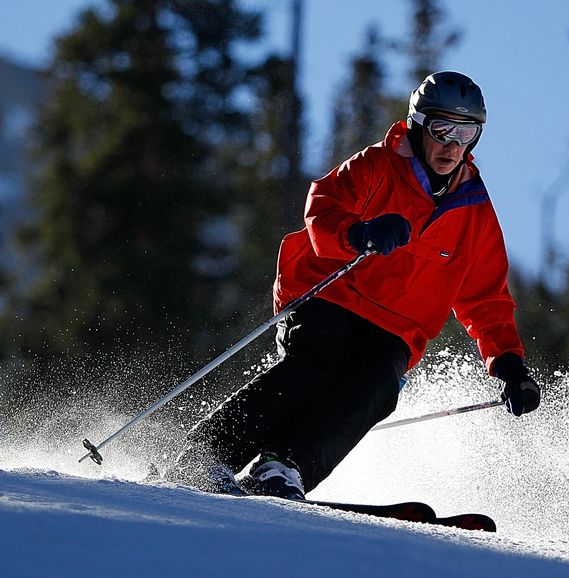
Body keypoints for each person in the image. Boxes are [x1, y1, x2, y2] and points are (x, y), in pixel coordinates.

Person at [167, 71, 541, 500]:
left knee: (378, 384)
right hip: (332, 291)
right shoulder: (379, 165)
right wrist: (358, 233)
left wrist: (510, 367)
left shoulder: (473, 209)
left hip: (396, 326)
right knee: (320, 360)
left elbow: (486, 297)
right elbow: (323, 204)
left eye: (467, 131)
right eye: (442, 129)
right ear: (419, 125)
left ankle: (285, 466)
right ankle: (205, 455)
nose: (452, 143)